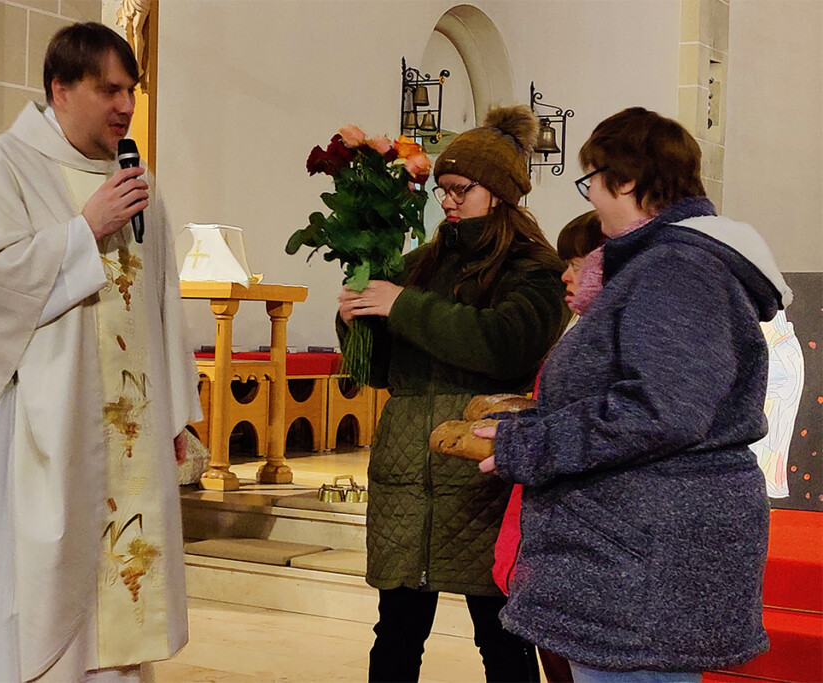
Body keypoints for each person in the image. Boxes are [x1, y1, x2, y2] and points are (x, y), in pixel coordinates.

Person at [0, 22, 200, 682]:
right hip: (32, 441)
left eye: (130, 89)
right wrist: (82, 234)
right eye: (109, 89)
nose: (125, 105)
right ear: (60, 89)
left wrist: (175, 412)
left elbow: (160, 298)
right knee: (35, 610)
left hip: (126, 441)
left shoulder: (136, 185)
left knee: (118, 609)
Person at [476, 107, 792, 682]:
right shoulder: (669, 263)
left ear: (624, 180)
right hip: (635, 551)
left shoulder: (678, 268)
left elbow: (661, 410)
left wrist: (532, 445)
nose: (590, 198)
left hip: (642, 560)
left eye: (590, 181)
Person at [338, 105, 571, 682]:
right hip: (408, 471)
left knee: (500, 632)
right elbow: (386, 369)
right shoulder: (421, 263)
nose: (447, 200)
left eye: (461, 189)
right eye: (442, 189)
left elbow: (505, 346)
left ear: (499, 191)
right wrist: (355, 322)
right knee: (396, 628)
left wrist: (402, 305)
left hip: (481, 471)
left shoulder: (535, 267)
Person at [490, 210, 605, 683]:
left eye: (578, 262)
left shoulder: (618, 341)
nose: (565, 273)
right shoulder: (583, 337)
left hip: (579, 548)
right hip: (545, 536)